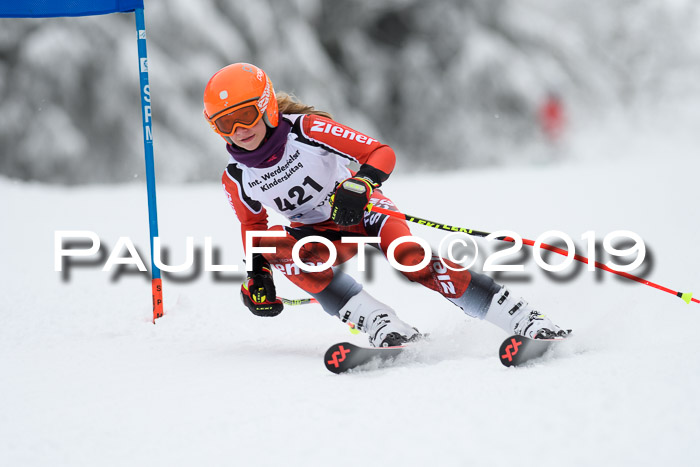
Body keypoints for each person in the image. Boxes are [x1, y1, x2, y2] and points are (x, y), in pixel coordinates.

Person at [203, 63, 569, 347]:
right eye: (224, 123)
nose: (238, 130)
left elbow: (380, 152)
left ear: (267, 107)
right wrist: (258, 276)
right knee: (271, 248)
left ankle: (520, 316)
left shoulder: (307, 130)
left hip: (364, 212)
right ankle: (380, 322)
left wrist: (362, 183)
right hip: (316, 235)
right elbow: (254, 228)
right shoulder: (236, 177)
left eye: (245, 116)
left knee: (409, 258)